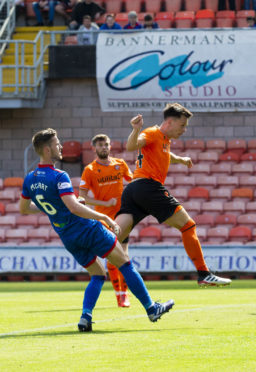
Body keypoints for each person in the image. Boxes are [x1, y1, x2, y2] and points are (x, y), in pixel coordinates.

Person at [19, 128, 173, 332]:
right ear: (47, 150)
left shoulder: (30, 178)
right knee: (125, 263)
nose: (61, 146)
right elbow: (74, 207)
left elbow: (24, 209)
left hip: (67, 236)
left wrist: (56, 208)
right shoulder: (59, 176)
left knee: (98, 274)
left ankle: (85, 316)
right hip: (87, 228)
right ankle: (151, 308)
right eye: (57, 144)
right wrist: (103, 216)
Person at [115, 103, 231, 287]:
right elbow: (132, 146)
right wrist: (136, 129)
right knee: (188, 226)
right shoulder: (152, 133)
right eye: (182, 125)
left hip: (133, 190)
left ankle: (88, 241)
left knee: (113, 237)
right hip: (148, 187)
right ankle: (204, 273)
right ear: (169, 122)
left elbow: (165, 154)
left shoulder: (163, 140)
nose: (184, 130)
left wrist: (181, 159)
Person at [79, 134, 133, 308]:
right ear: (94, 148)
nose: (104, 147)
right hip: (104, 220)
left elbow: (133, 182)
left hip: (122, 216)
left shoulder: (120, 164)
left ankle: (124, 295)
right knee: (112, 258)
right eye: (100, 145)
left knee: (124, 255)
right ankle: (119, 294)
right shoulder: (90, 170)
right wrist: (104, 203)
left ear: (110, 146)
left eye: (106, 144)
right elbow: (82, 197)